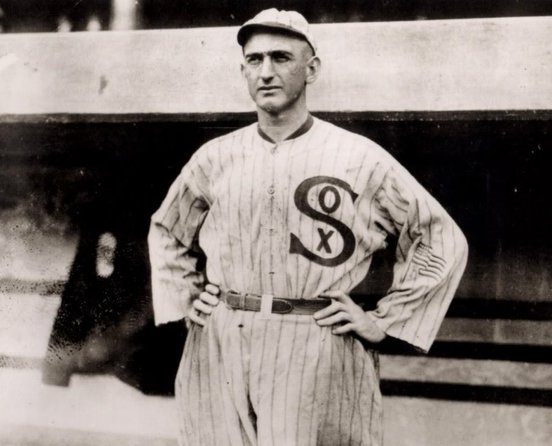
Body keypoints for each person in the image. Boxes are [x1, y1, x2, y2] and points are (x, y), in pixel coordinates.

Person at [149, 8, 468, 445]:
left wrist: (385, 321)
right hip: (221, 337)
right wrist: (187, 298)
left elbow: (438, 236)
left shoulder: (359, 156)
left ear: (311, 69)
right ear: (242, 70)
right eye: (254, 60)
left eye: (281, 58)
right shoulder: (215, 157)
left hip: (315, 336)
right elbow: (168, 229)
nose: (266, 72)